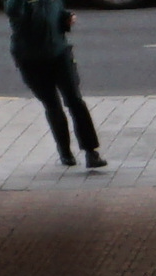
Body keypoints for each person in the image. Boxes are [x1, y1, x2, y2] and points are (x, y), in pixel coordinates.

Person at [6, 0, 105, 170]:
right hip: (31, 60)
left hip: (60, 53)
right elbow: (15, 13)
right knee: (52, 104)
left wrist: (66, 18)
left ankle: (91, 152)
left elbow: (57, 13)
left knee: (75, 100)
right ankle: (65, 152)